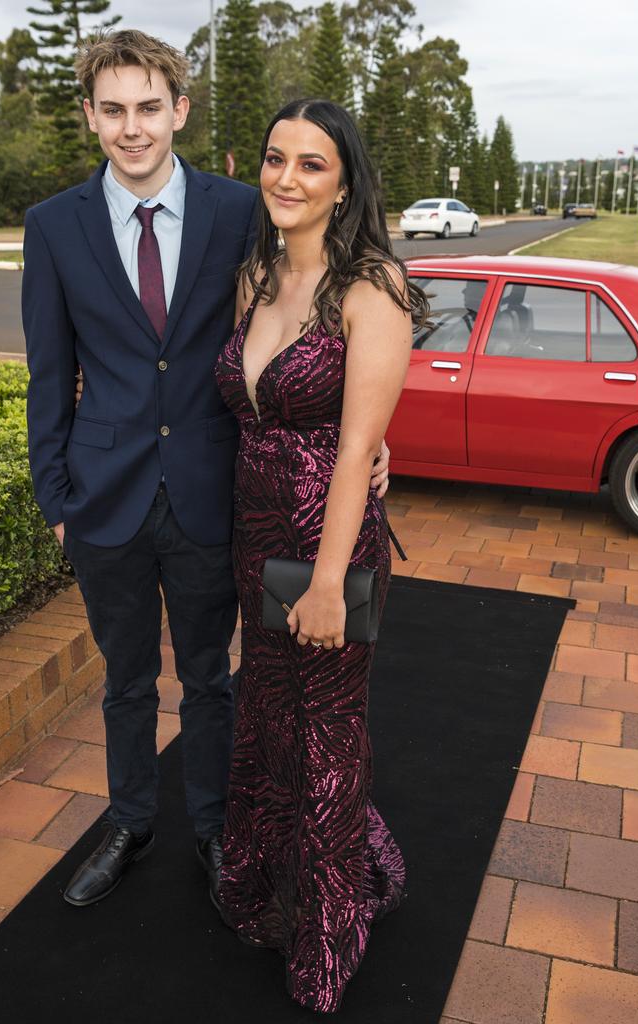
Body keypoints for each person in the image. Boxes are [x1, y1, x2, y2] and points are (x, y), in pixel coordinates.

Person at [21, 30, 389, 909]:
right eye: (112, 109)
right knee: (124, 680)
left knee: (211, 676)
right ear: (91, 118)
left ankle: (218, 825)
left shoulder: (242, 210)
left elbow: (323, 317)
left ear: (179, 110)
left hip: (212, 495)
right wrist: (56, 501)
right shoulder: (53, 226)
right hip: (101, 501)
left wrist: (370, 432)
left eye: (149, 106)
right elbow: (46, 374)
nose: (132, 127)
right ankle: (128, 821)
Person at [214, 99, 429, 1013]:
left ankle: (333, 921)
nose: (286, 179)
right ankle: (269, 885)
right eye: (274, 160)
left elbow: (354, 450)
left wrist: (335, 581)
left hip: (327, 544)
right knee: (267, 718)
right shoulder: (255, 276)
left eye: (311, 165)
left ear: (344, 185)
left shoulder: (370, 287)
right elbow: (249, 405)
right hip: (253, 534)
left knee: (327, 731)